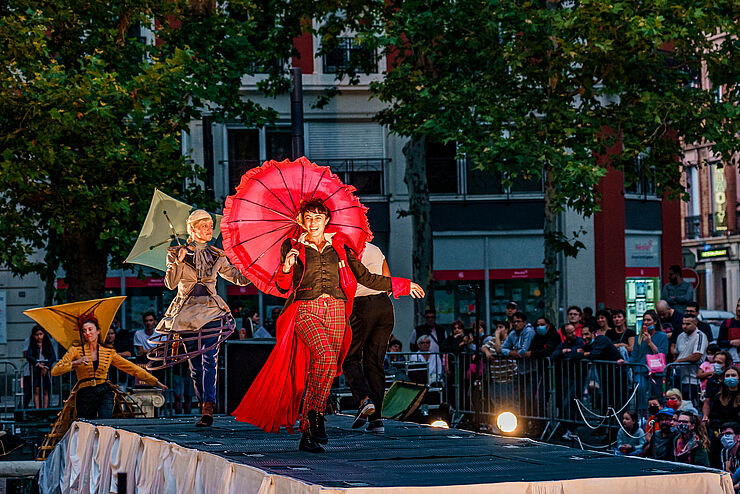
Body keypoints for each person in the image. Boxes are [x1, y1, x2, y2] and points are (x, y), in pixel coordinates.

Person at [233, 199, 424, 453]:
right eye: (308, 218)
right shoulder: (292, 246)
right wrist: (286, 267)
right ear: (301, 220)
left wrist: (402, 285)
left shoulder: (341, 246)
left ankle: (312, 422)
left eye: (317, 218)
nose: (313, 222)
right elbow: (282, 285)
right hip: (305, 309)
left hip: (336, 309)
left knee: (327, 367)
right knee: (323, 356)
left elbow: (365, 277)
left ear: (326, 220)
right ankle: (313, 419)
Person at [154, 209, 251, 426]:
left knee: (210, 359)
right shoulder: (175, 252)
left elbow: (236, 277)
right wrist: (178, 261)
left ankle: (209, 406)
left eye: (210, 226)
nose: (209, 230)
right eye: (205, 226)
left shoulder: (217, 254)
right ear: (193, 229)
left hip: (212, 311)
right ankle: (202, 404)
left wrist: (253, 270)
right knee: (195, 365)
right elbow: (170, 284)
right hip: (186, 313)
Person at [51, 316, 166, 419]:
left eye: (90, 329)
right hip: (85, 392)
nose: (87, 333)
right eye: (84, 331)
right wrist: (76, 362)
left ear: (98, 331)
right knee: (86, 424)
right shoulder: (75, 350)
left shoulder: (108, 351)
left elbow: (131, 368)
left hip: (103, 390)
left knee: (105, 422)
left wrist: (154, 382)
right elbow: (55, 370)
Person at [343, 242, 396, 433]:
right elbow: (386, 279)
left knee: (350, 357)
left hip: (360, 304)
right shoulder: (376, 248)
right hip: (384, 305)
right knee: (375, 362)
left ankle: (364, 399)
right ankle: (377, 420)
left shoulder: (345, 251)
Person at [630, 310, 669, 411]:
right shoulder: (638, 337)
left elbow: (662, 354)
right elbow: (634, 355)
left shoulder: (662, 336)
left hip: (657, 372)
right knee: (640, 389)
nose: (646, 322)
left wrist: (650, 342)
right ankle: (642, 416)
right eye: (644, 320)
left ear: (655, 322)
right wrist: (625, 362)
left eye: (648, 320)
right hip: (641, 371)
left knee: (657, 396)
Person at [672, 314, 708, 404]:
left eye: (688, 324)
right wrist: (675, 363)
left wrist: (678, 362)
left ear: (695, 323)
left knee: (693, 405)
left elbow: (696, 356)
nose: (684, 326)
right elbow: (676, 353)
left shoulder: (700, 336)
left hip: (694, 379)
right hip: (680, 378)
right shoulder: (680, 336)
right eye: (683, 324)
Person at [25, 326, 57, 409]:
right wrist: (37, 364)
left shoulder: (48, 344)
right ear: (33, 336)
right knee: (36, 389)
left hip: (46, 369)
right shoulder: (32, 345)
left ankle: (45, 408)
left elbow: (53, 356)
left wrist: (46, 366)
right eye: (36, 335)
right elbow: (29, 355)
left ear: (44, 334)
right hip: (36, 369)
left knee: (45, 390)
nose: (39, 337)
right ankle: (37, 408)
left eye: (40, 334)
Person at [708, 368, 740, 433]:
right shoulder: (718, 397)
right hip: (723, 431)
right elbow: (714, 417)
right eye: (727, 376)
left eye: (733, 375)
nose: (730, 377)